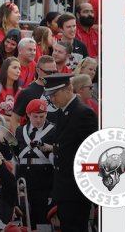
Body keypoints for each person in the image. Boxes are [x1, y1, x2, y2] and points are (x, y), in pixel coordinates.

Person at [43, 73, 97, 232]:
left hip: (77, 187)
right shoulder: (63, 111)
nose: (52, 99)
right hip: (65, 186)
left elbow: (91, 151)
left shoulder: (83, 113)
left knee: (76, 226)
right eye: (50, 95)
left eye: (54, 94)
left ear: (68, 89)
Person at [13, 99, 55, 228]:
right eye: (35, 116)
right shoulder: (21, 130)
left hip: (44, 181)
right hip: (25, 180)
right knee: (26, 217)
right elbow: (16, 153)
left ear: (46, 115)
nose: (38, 120)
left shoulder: (53, 130)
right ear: (28, 115)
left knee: (43, 217)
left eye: (41, 116)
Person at [0, 57, 20, 122]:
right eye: (14, 68)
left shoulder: (19, 90)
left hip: (14, 123)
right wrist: (11, 120)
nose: (18, 71)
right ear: (5, 69)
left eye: (19, 68)